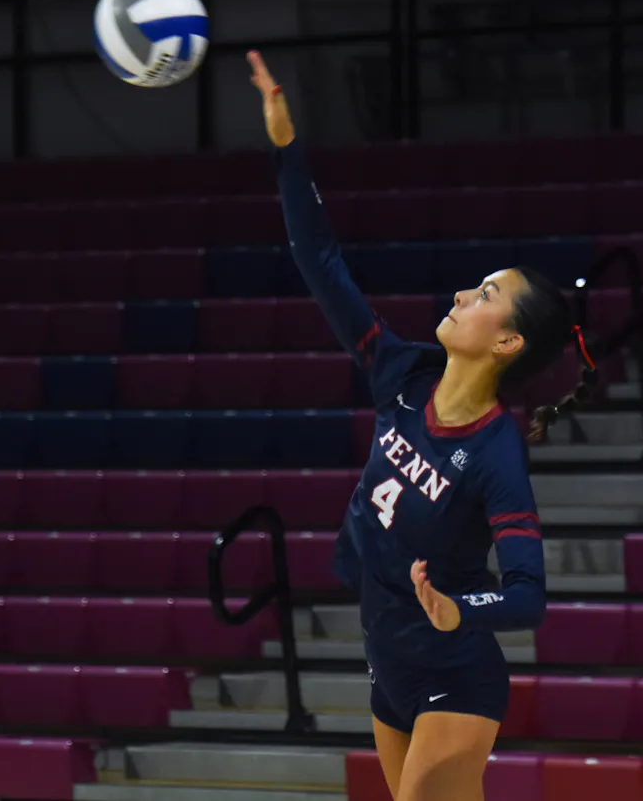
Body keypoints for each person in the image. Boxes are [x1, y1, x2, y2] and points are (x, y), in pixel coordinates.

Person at [247, 51, 596, 801]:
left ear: (508, 343)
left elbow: (530, 595)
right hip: (388, 664)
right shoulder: (401, 374)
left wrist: (457, 607)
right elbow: (322, 264)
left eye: (488, 294)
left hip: (456, 676)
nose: (465, 292)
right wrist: (285, 145)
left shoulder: (497, 452)